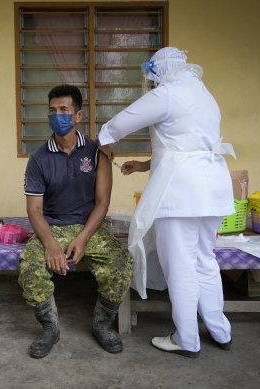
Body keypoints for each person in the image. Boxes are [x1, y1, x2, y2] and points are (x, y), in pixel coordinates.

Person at [98, 47, 236, 358]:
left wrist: (104, 137)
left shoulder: (169, 94)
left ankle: (186, 339)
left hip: (181, 192)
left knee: (181, 265)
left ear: (160, 71)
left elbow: (122, 122)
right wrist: (145, 165)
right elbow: (187, 144)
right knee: (205, 260)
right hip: (212, 186)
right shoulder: (204, 94)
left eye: (153, 77)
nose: (152, 84)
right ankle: (221, 331)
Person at [19, 84, 133, 358]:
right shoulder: (38, 159)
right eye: (52, 110)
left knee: (120, 265)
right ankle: (50, 328)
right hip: (53, 226)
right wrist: (50, 245)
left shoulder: (97, 152)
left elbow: (102, 202)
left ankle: (102, 325)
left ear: (78, 115)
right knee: (31, 269)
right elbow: (34, 210)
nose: (57, 115)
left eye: (64, 110)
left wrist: (82, 239)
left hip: (90, 226)